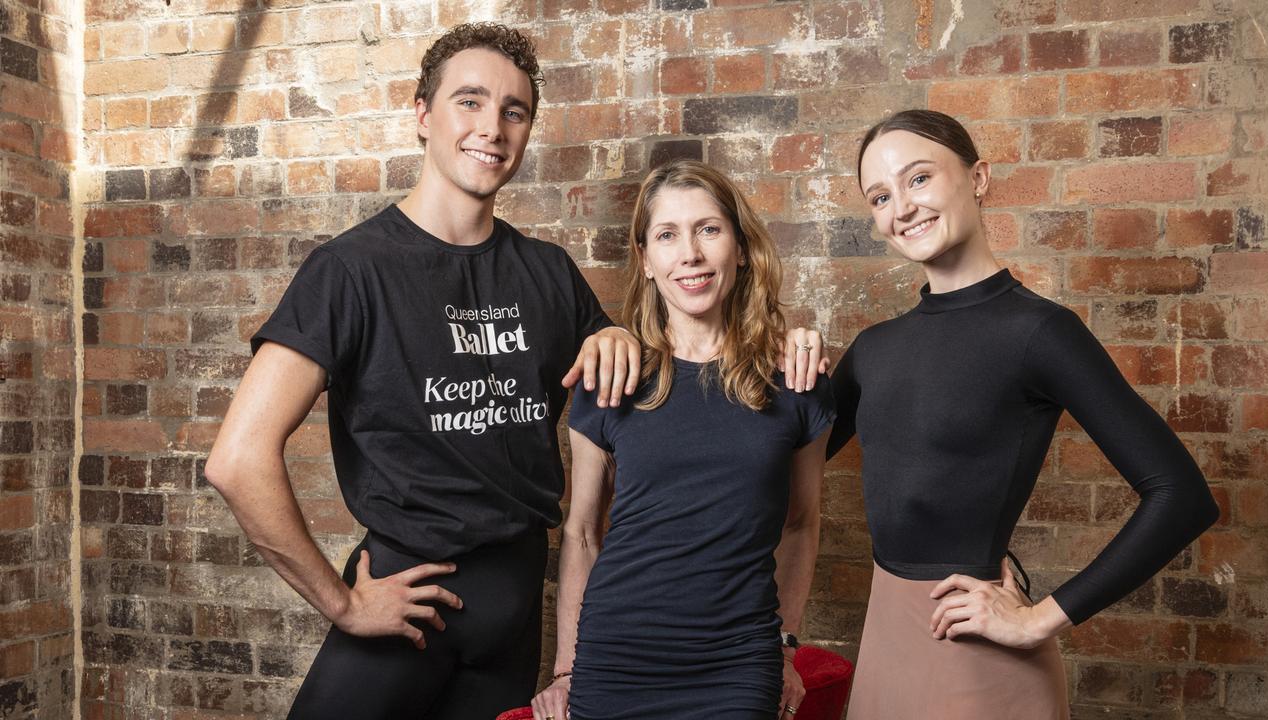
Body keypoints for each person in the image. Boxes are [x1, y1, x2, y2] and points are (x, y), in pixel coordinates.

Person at [205, 24, 826, 720]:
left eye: (514, 110)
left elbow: (663, 346)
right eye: (469, 102)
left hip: (517, 607)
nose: (492, 128)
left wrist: (779, 341)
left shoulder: (550, 276)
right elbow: (237, 459)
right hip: (414, 598)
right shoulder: (349, 272)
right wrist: (343, 602)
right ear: (421, 115)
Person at [826, 109, 1220, 718]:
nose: (901, 207)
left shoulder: (1040, 332)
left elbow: (1182, 495)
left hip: (980, 664)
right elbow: (771, 458)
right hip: (884, 648)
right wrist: (773, 352)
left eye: (919, 179)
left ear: (978, 177)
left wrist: (1041, 620)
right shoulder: (873, 349)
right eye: (880, 196)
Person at [531, 160, 834, 720]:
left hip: (737, 662)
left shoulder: (795, 379)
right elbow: (581, 533)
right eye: (667, 235)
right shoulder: (610, 377)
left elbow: (801, 523)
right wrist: (567, 668)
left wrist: (787, 644)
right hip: (616, 657)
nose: (689, 253)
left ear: (741, 250)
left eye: (709, 229)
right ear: (646, 261)